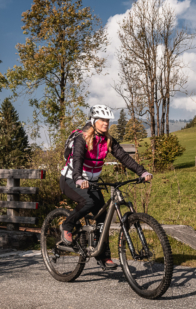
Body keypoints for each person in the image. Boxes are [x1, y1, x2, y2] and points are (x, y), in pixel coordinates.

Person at [59, 105, 152, 270]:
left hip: (92, 182)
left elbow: (124, 157)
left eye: (107, 120)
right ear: (94, 121)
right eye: (102, 120)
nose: (106, 123)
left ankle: (104, 256)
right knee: (88, 202)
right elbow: (78, 159)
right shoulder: (81, 138)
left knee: (103, 218)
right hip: (70, 179)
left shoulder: (108, 140)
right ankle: (67, 226)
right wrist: (79, 178)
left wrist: (142, 172)